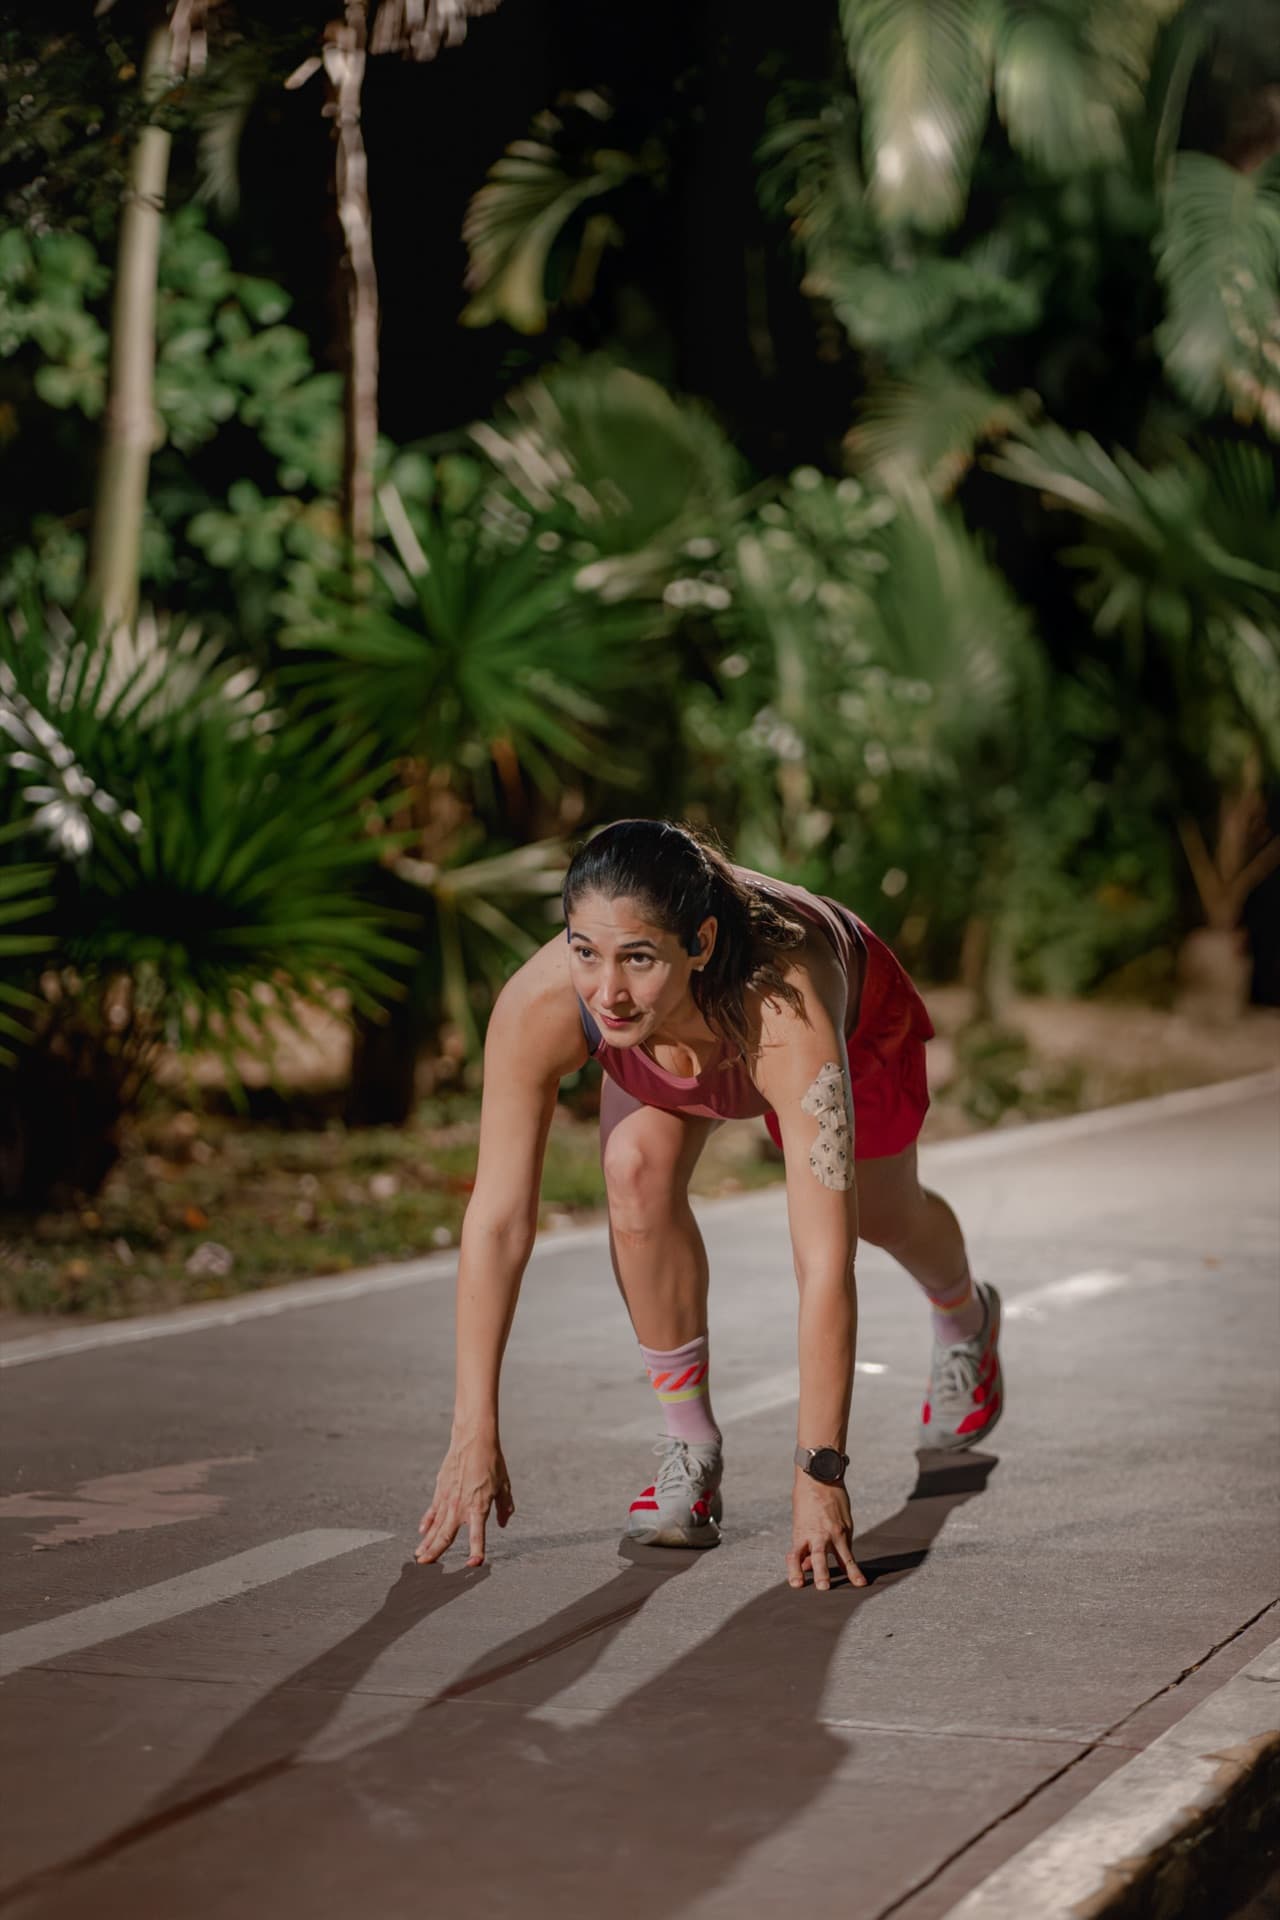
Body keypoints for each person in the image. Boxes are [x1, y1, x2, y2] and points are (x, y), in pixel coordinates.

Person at [416, 819, 1002, 1594]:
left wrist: (819, 1470)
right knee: (632, 1173)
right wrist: (472, 1431)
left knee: (880, 1216)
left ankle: (964, 1317)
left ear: (699, 942)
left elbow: (823, 1262)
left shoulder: (784, 1006)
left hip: (848, 1029)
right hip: (672, 1038)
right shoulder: (554, 1003)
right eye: (585, 951)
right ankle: (689, 1446)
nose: (607, 990)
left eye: (639, 958)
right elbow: (496, 1222)